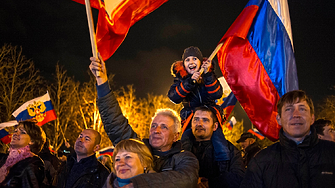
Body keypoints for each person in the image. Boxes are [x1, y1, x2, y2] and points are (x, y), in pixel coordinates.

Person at [89, 53, 199, 188]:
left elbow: (186, 179)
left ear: (176, 135)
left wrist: (139, 183)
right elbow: (115, 123)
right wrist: (102, 82)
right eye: (154, 126)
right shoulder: (136, 148)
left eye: (164, 127)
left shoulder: (185, 158)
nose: (156, 130)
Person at [240, 90, 335, 188]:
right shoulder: (261, 161)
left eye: (302, 109)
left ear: (312, 118)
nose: (296, 114)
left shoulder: (332, 152)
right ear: (279, 119)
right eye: (289, 109)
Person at [168, 46, 230, 163]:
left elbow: (217, 94)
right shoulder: (181, 80)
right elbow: (173, 97)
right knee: (185, 144)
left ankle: (224, 168)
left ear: (201, 62)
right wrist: (189, 83)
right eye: (187, 60)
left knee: (220, 145)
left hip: (210, 118)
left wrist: (207, 76)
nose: (191, 62)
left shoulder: (209, 75)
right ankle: (184, 168)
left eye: (194, 59)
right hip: (190, 118)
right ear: (184, 64)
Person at [181, 106, 245, 188]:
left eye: (205, 120)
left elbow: (238, 177)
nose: (199, 124)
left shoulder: (230, 150)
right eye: (196, 119)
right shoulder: (178, 148)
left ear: (215, 126)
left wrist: (209, 183)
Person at [0, 120, 46, 187]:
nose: (15, 133)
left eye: (22, 132)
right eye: (15, 131)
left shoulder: (31, 164)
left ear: (32, 141)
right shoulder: (4, 159)